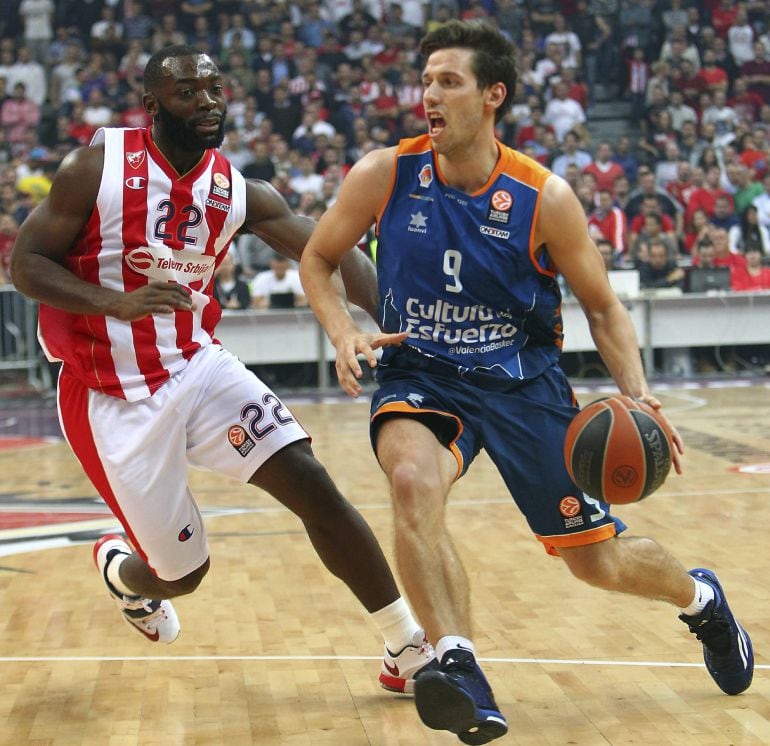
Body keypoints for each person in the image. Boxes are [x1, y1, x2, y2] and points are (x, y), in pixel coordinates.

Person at [299, 21, 754, 744]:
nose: (430, 96)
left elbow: (603, 308)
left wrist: (636, 395)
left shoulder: (545, 197)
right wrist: (342, 330)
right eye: (426, 82)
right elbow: (317, 259)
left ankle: (702, 601)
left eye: (449, 82)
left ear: (492, 97)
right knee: (412, 481)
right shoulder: (385, 173)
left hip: (522, 385)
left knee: (597, 563)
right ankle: (458, 666)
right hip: (421, 374)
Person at [10, 45, 435, 695]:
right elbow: (26, 265)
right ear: (153, 106)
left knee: (312, 483)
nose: (207, 102)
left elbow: (330, 248)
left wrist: (402, 326)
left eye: (214, 89)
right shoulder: (93, 168)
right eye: (188, 92)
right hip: (110, 395)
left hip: (198, 367)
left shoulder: (238, 190)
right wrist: (113, 301)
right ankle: (124, 574)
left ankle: (407, 647)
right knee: (183, 574)